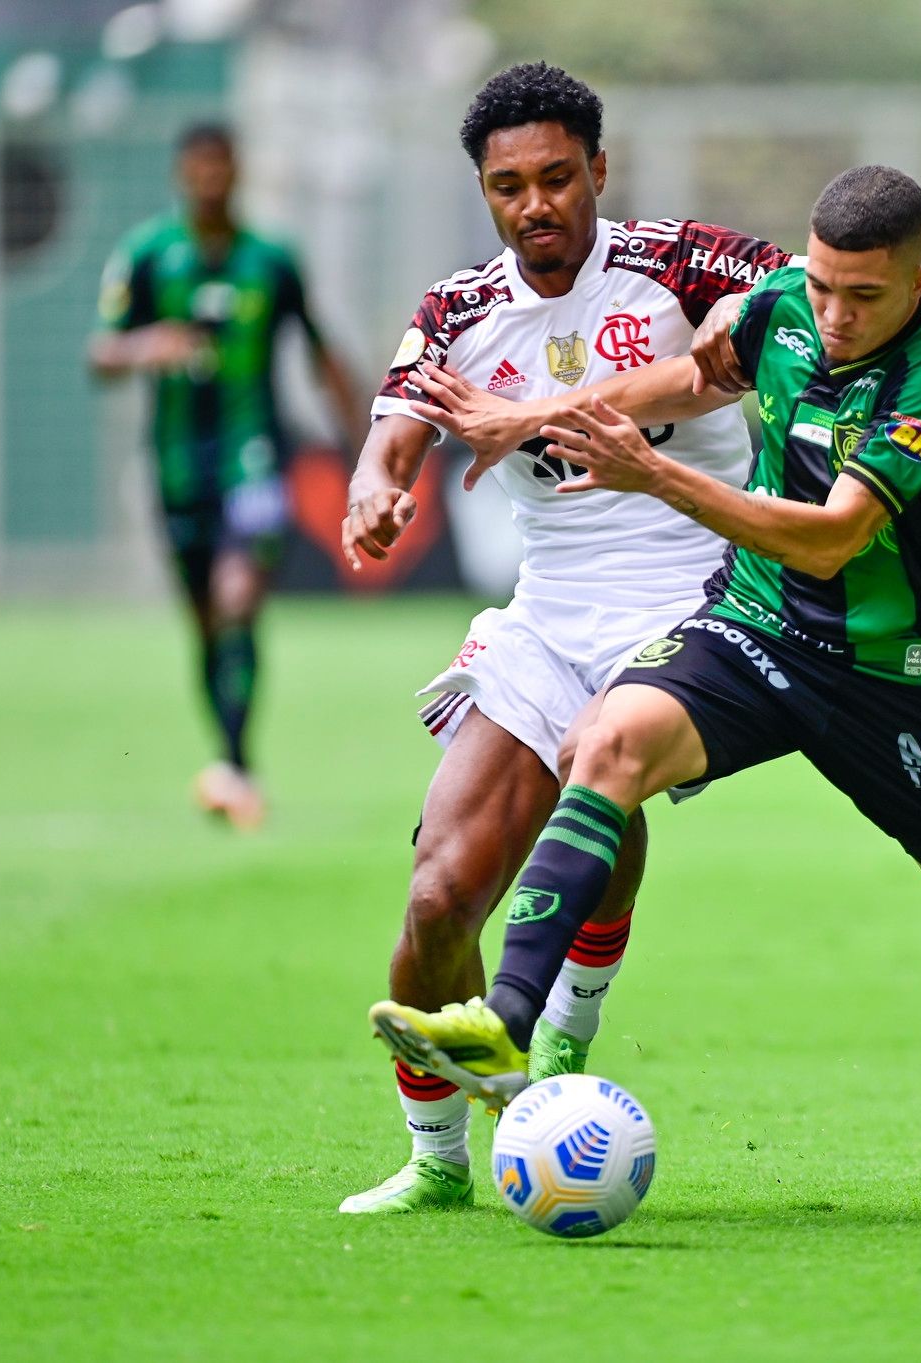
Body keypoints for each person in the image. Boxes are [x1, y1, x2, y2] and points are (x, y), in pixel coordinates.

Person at [371, 165, 921, 1198]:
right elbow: (684, 380)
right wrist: (534, 416)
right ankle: (507, 1025)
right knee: (602, 745)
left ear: (920, 282)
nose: (833, 315)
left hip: (894, 676)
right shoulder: (783, 303)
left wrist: (656, 473)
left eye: (864, 296)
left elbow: (834, 538)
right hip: (753, 625)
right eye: (822, 286)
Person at [334, 64, 790, 1213]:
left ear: (598, 169)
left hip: (694, 597)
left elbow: (792, 301)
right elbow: (396, 432)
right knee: (438, 896)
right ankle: (438, 1159)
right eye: (508, 187)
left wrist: (737, 324)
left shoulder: (679, 259)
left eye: (555, 177)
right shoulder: (455, 310)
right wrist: (375, 491)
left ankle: (560, 1035)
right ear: (483, 193)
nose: (534, 204)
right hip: (547, 613)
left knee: (600, 771)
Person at [91, 123, 364, 826]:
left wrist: (367, 444)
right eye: (199, 168)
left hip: (255, 459)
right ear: (182, 174)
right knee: (207, 622)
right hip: (178, 466)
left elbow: (321, 351)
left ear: (237, 173)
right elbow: (101, 354)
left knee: (237, 598)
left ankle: (235, 768)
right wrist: (146, 346)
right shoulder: (148, 254)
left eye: (222, 167)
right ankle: (234, 759)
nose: (210, 180)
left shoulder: (271, 259)